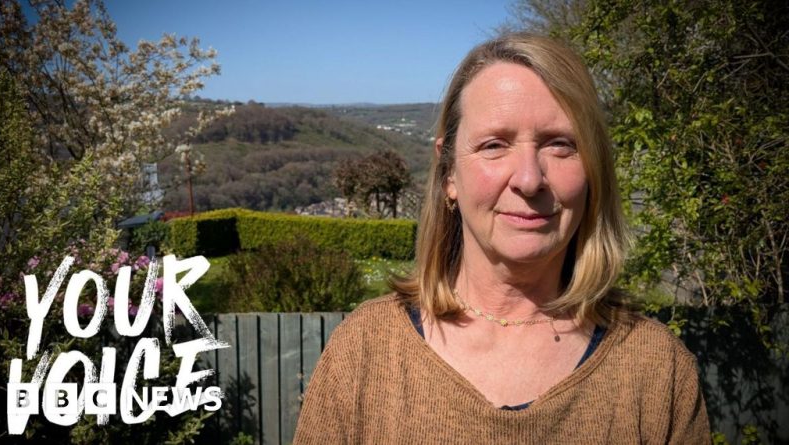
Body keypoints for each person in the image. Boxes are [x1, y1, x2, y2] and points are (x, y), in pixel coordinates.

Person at [294, 33, 710, 444]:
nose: (529, 179)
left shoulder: (658, 371)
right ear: (449, 174)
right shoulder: (365, 351)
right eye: (495, 145)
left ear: (593, 169)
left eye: (561, 145)